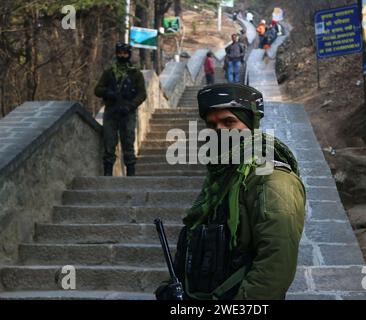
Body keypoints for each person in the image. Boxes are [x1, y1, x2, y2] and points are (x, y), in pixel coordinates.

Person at [155, 83, 306, 300]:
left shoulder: (272, 179)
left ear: (250, 124)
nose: (220, 131)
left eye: (229, 122)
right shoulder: (221, 178)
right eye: (212, 124)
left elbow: (275, 265)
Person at [94, 43, 147, 176]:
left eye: (124, 53)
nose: (122, 55)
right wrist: (108, 92)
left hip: (127, 113)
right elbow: (97, 89)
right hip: (111, 112)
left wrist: (131, 105)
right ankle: (107, 174)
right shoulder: (109, 72)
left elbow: (142, 94)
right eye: (120, 53)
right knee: (109, 142)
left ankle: (130, 174)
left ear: (128, 54)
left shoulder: (135, 74)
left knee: (128, 142)